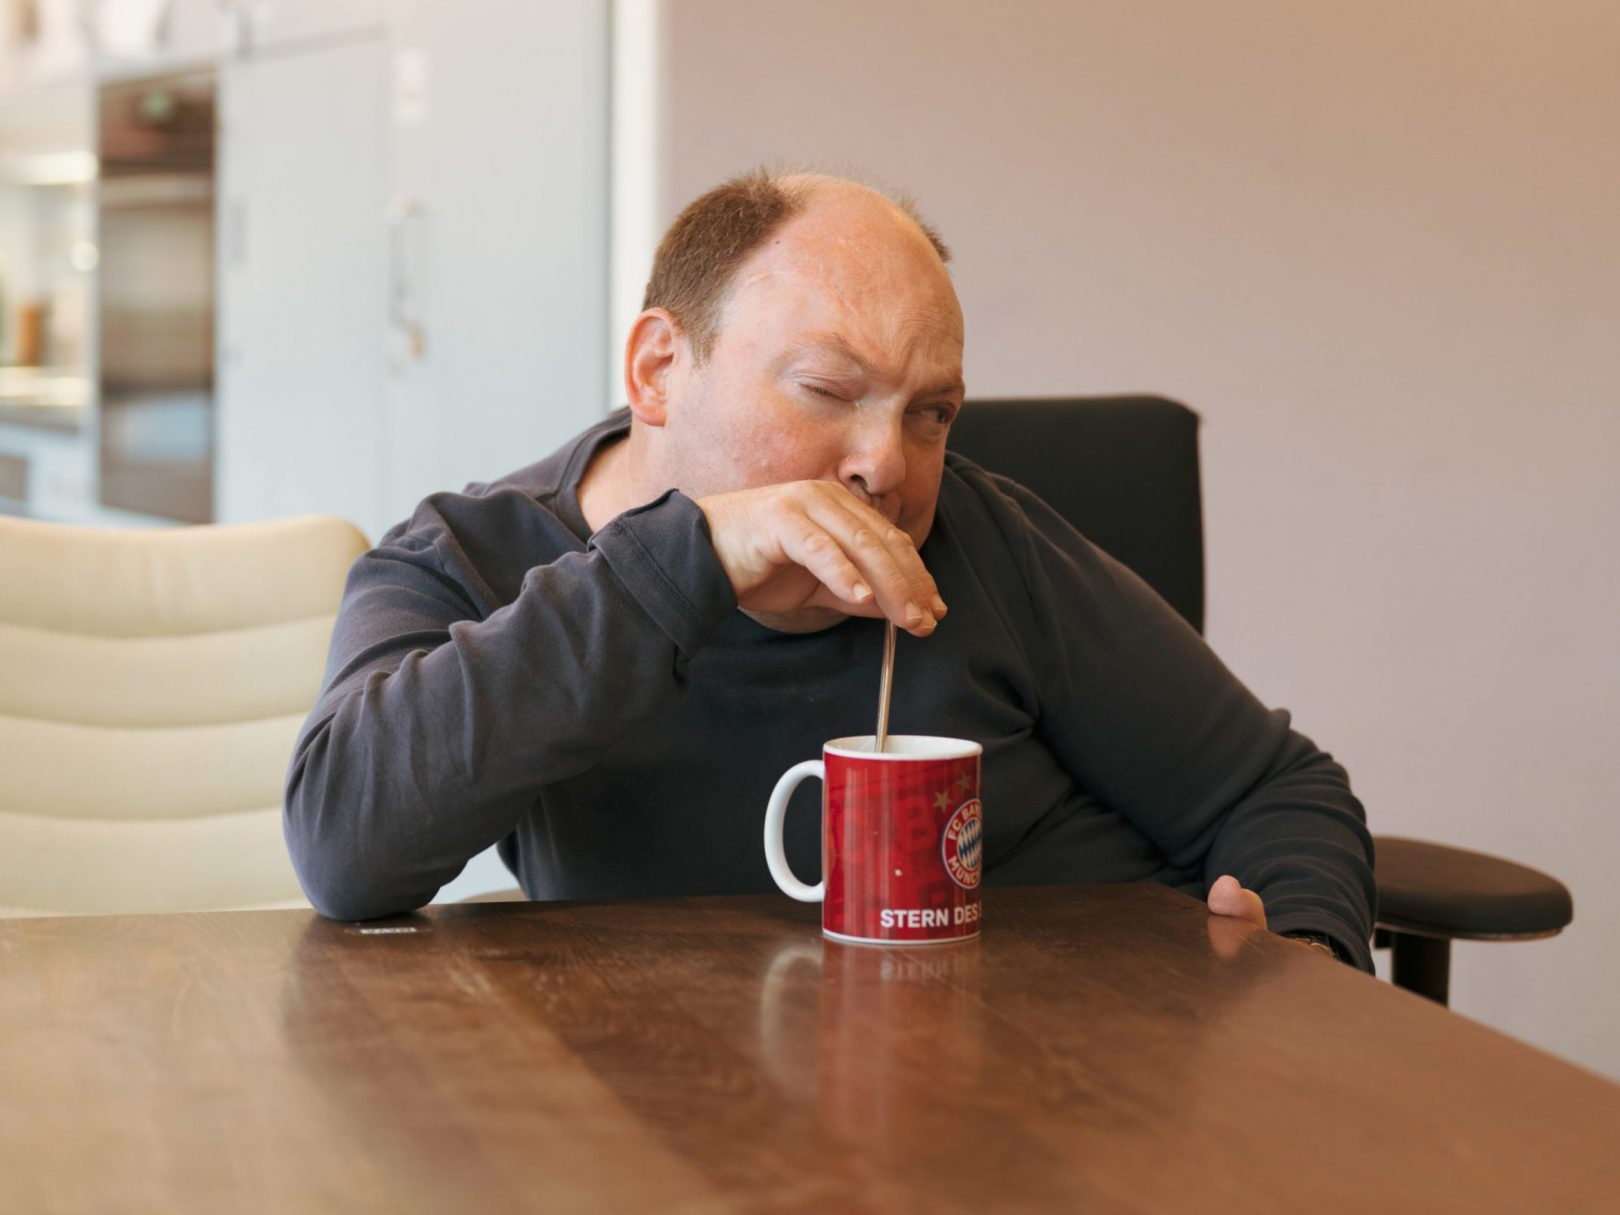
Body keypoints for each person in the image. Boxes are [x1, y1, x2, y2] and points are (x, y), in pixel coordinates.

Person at [284, 170, 1376, 968]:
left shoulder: (983, 543)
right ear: (660, 369)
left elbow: (1276, 792)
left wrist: (1305, 947)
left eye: (930, 412)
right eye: (826, 390)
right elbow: (345, 849)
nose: (885, 466)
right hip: (703, 1119)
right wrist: (688, 557)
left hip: (1069, 1100)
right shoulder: (473, 561)